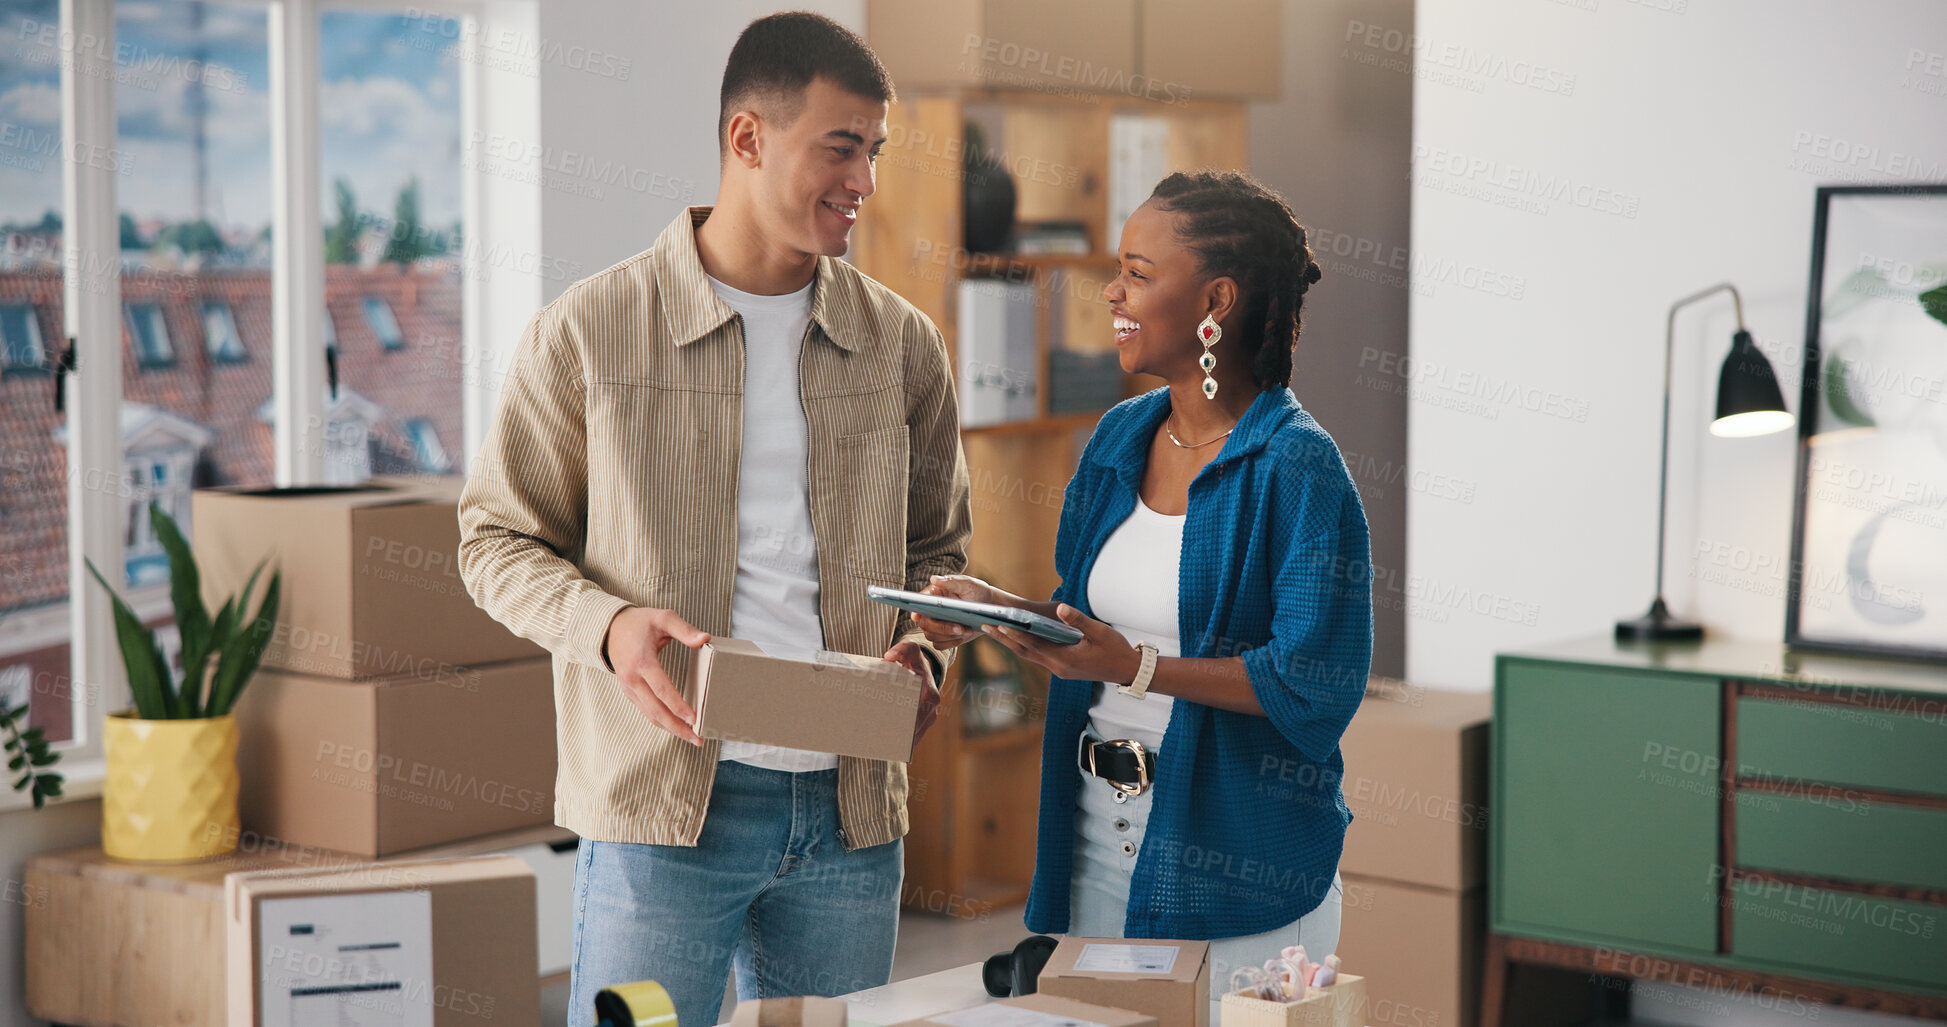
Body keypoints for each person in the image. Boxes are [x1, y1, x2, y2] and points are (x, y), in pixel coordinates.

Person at [456, 13, 971, 1025]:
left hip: (849, 816)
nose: (864, 178)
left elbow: (937, 550)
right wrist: (607, 628)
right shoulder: (590, 332)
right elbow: (494, 540)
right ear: (747, 138)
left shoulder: (903, 347)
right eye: (840, 146)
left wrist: (926, 652)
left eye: (873, 150)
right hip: (661, 816)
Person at [918, 171, 1370, 1023]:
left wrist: (1135, 667)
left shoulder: (1298, 468)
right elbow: (1091, 620)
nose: (1111, 291)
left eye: (1135, 270)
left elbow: (1312, 685)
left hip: (1237, 860)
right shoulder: (1120, 435)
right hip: (1095, 839)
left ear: (1215, 298)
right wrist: (994, 609)